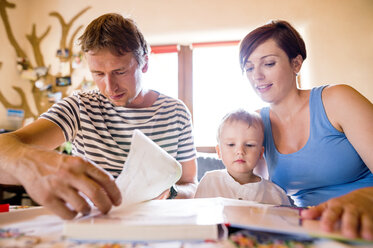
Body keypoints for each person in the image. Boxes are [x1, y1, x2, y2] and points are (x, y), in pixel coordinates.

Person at [0, 13, 197, 219]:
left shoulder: (176, 112)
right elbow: (5, 147)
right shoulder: (79, 107)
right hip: (93, 223)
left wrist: (171, 193)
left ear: (145, 63)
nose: (110, 87)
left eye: (120, 72)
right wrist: (40, 165)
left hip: (155, 223)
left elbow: (190, 184)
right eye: (99, 74)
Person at [238, 20, 373, 240]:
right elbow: (258, 194)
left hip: (364, 223)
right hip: (313, 232)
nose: (257, 76)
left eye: (268, 63)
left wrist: (366, 198)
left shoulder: (338, 99)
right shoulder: (256, 124)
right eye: (249, 67)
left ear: (296, 64)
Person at [195, 109, 290, 205]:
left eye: (249, 145)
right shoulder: (210, 182)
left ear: (261, 153)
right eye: (231, 144)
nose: (240, 151)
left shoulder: (275, 194)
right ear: (219, 151)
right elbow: (195, 215)